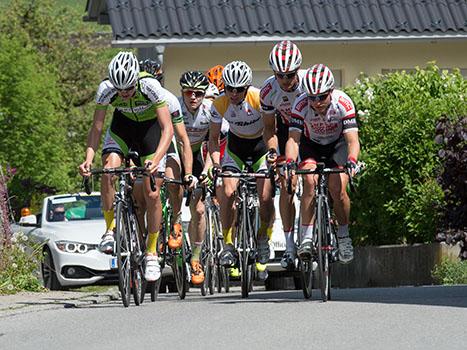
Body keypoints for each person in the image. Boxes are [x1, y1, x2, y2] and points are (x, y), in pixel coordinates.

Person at [79, 51, 174, 282]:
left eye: (129, 89)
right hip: (122, 130)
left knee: (152, 193)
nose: (124, 93)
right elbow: (97, 129)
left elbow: (168, 129)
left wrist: (156, 158)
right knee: (109, 168)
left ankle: (151, 251)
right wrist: (88, 159)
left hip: (150, 134)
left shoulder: (150, 86)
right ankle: (110, 230)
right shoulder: (106, 90)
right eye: (120, 90)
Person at [285, 64, 360, 264]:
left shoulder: (343, 102)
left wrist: (352, 161)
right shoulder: (300, 105)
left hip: (337, 145)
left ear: (331, 92)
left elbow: (352, 140)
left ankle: (343, 236)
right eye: (312, 98)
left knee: (338, 187)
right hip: (312, 145)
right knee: (309, 180)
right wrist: (290, 162)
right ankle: (307, 238)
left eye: (322, 97)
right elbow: (293, 139)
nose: (317, 103)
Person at [208, 61, 275, 280]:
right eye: (230, 89)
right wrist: (217, 164)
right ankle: (228, 244)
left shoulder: (258, 98)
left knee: (265, 196)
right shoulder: (219, 104)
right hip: (235, 148)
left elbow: (269, 129)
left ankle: (264, 238)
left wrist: (273, 154)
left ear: (247, 88)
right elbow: (213, 139)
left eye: (239, 89)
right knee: (227, 192)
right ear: (224, 87)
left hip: (260, 147)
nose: (234, 93)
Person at [261, 40, 307, 269]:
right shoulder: (268, 91)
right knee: (286, 183)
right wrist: (273, 152)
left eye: (290, 75)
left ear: (298, 70)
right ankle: (290, 246)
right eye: (281, 75)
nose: (286, 81)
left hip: (310, 133)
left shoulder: (309, 85)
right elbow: (269, 129)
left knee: (312, 178)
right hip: (285, 133)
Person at [178, 71, 214, 284]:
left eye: (198, 93)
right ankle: (172, 225)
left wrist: (207, 171)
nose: (193, 97)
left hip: (200, 155)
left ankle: (195, 257)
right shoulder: (175, 108)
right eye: (188, 92)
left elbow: (215, 144)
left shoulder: (210, 111)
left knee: (199, 209)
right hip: (176, 153)